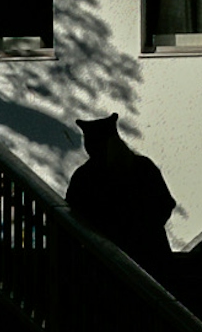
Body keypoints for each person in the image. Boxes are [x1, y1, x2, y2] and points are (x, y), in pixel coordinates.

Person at [62, 107, 181, 278]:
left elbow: (74, 214)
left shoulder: (85, 175)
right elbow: (166, 204)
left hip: (105, 260)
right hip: (152, 255)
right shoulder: (143, 166)